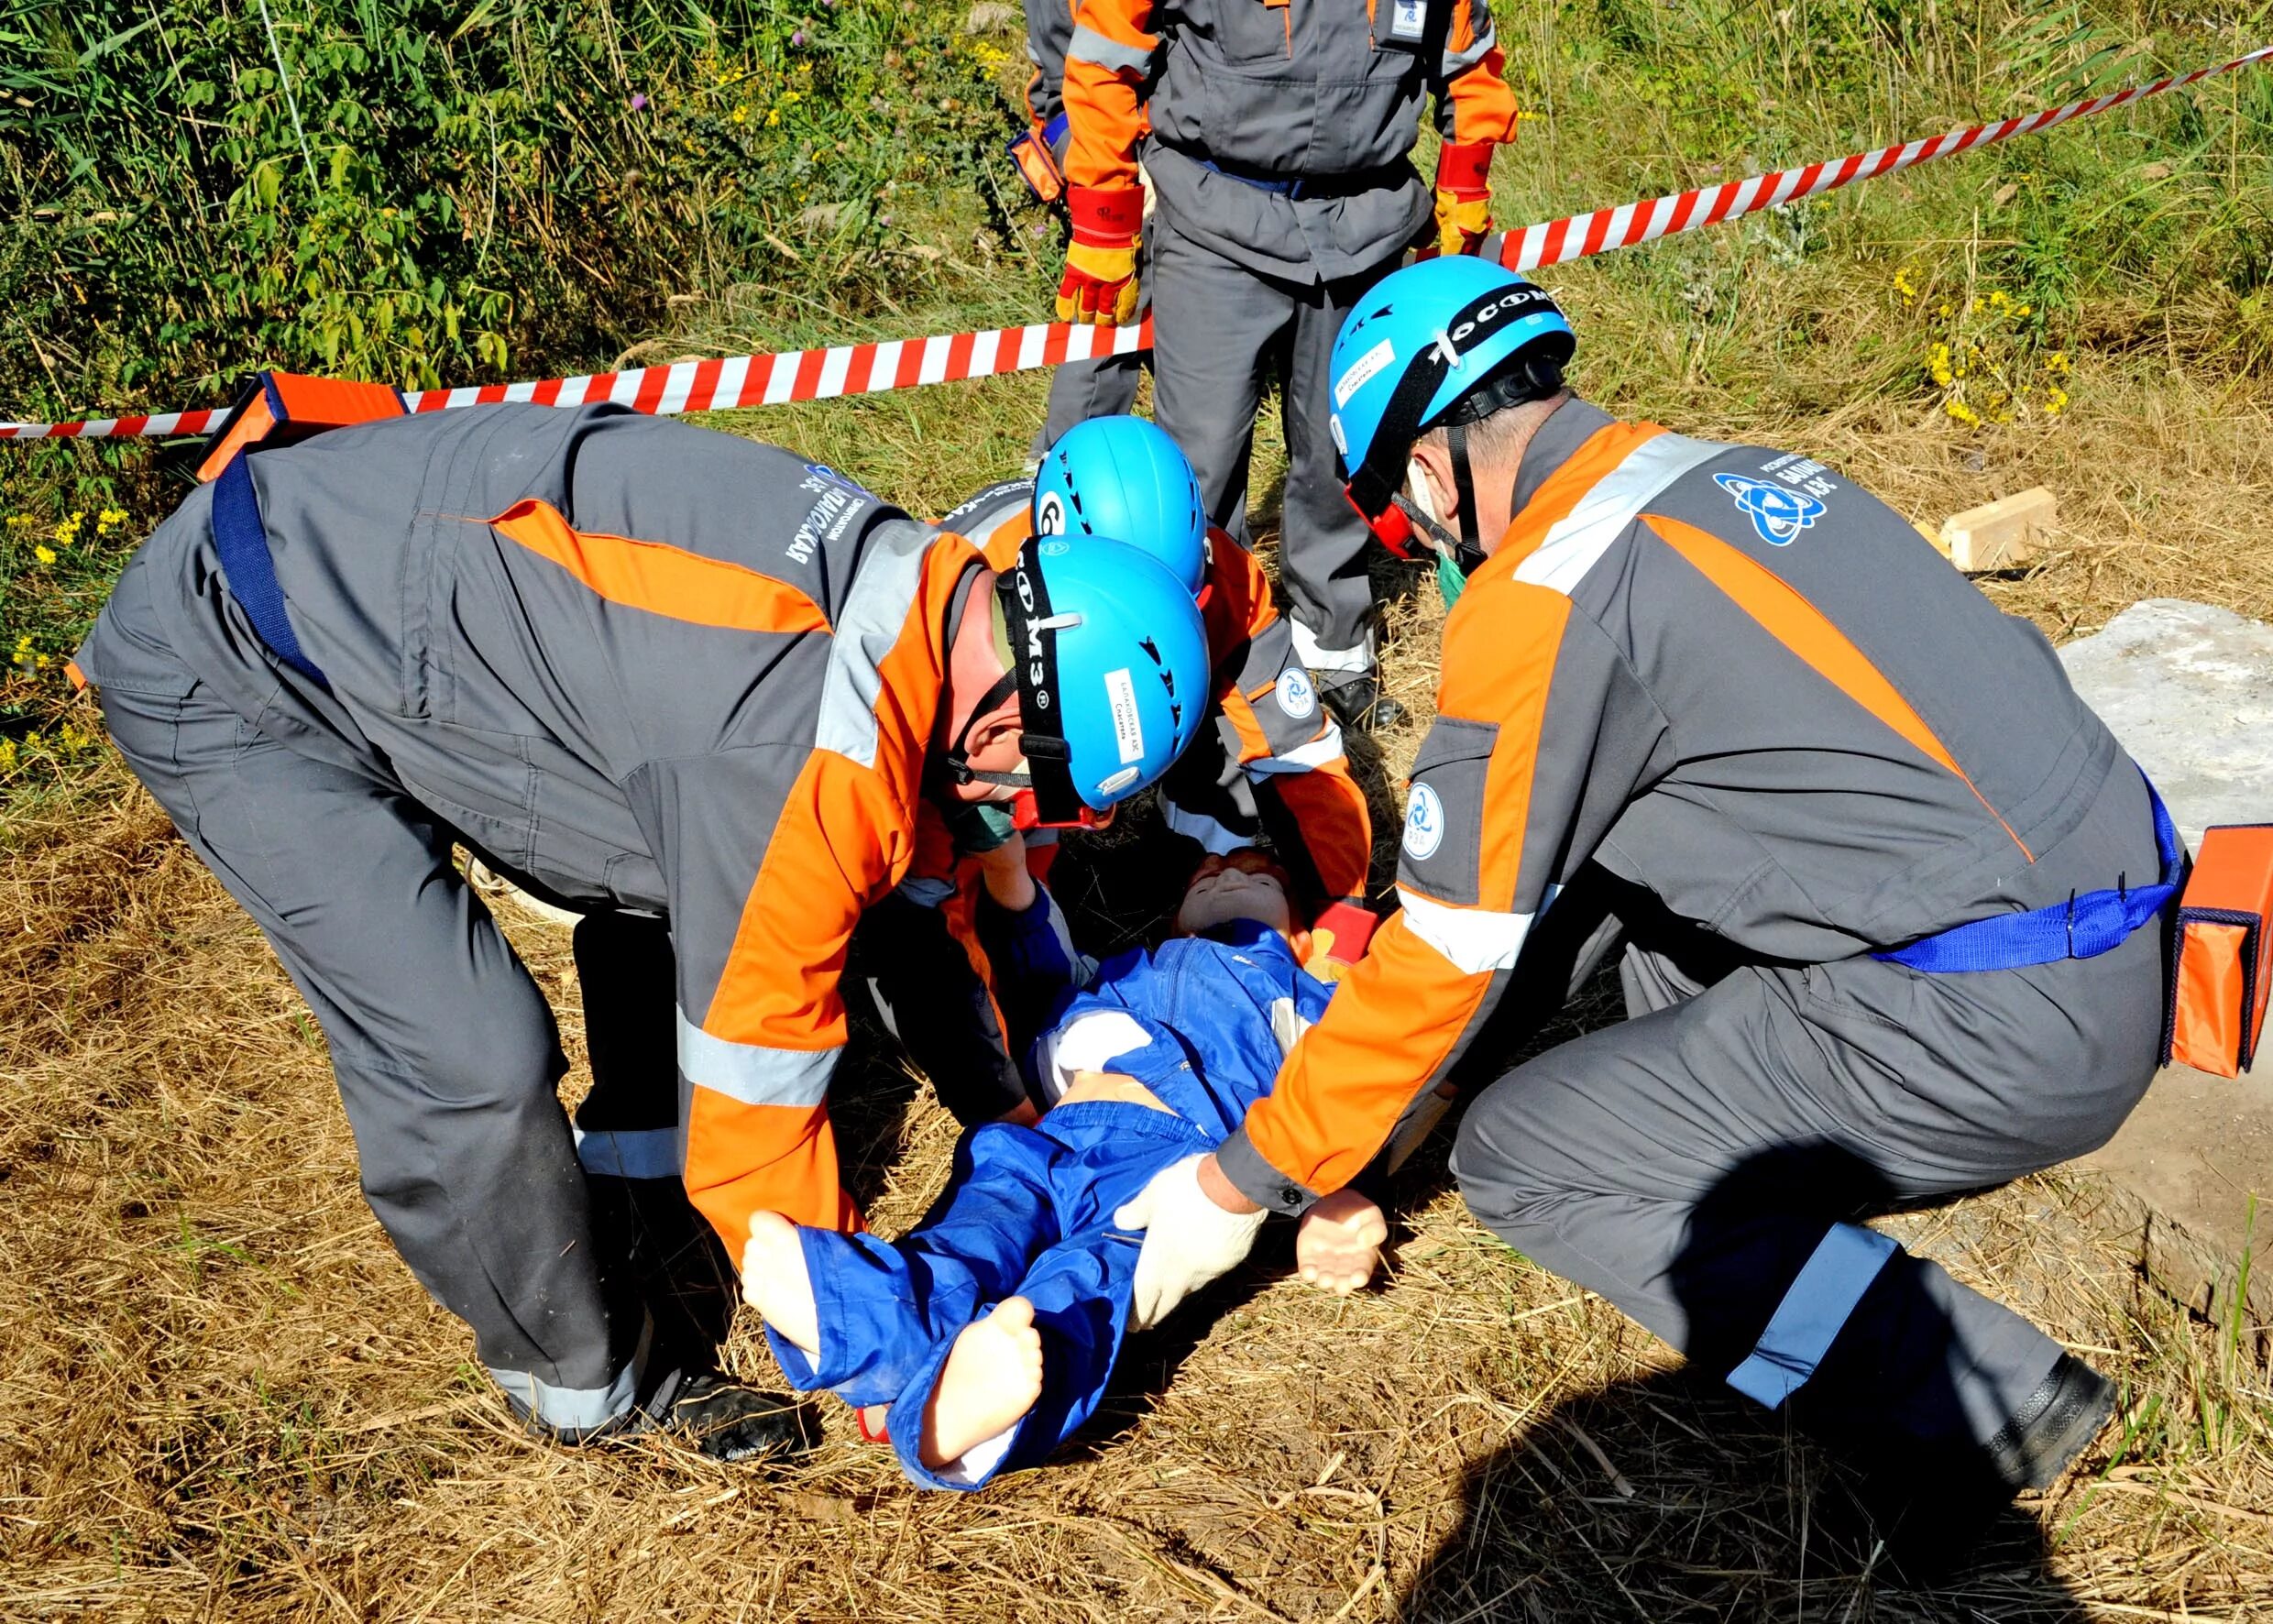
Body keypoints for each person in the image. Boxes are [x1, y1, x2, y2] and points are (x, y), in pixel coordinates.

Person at [1113, 256, 2176, 1566]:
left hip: (2002, 1022)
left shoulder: (1546, 598)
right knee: (1618, 903)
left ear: (1433, 471)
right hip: (2109, 916)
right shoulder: (1733, 474)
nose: (1427, 553)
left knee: (1528, 1156)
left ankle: (1986, 1407)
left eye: (1405, 522)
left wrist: (1245, 1182)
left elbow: (1451, 950)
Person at [72, 401, 1212, 1456]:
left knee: (674, 866)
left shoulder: (921, 593)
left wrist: (1007, 1108)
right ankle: (585, 1386)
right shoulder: (805, 758)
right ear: (1011, 710)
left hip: (372, 574)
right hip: (232, 657)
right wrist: (894, 1365)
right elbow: (754, 1127)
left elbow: (895, 887)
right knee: (467, 1056)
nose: (1008, 813)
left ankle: (632, 1176)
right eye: (1026, 785)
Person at [741, 850, 1390, 1488]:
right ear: (1176, 917)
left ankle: (951, 1412)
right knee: (979, 1225)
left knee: (1082, 1286)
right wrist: (1012, 882)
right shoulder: (1128, 967)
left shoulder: (1307, 995)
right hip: (1048, 1138)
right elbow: (1044, 976)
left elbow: (1343, 1093)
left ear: (1301, 934)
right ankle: (861, 1327)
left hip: (1166, 1163)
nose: (1227, 875)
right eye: (1209, 874)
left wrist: (1333, 1194)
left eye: (1257, 876)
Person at [1058, 0, 1522, 730]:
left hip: (1366, 225)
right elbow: (1103, 59)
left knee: (1343, 450)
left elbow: (1469, 60)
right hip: (1216, 222)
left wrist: (1466, 183)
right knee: (1199, 465)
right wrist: (1103, 219)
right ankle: (1204, 663)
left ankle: (1332, 645)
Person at [1006, 0, 1147, 458]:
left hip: (1081, 124)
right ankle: (1062, 459)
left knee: (1114, 308)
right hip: (1113, 137)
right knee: (1111, 310)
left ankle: (1060, 458)